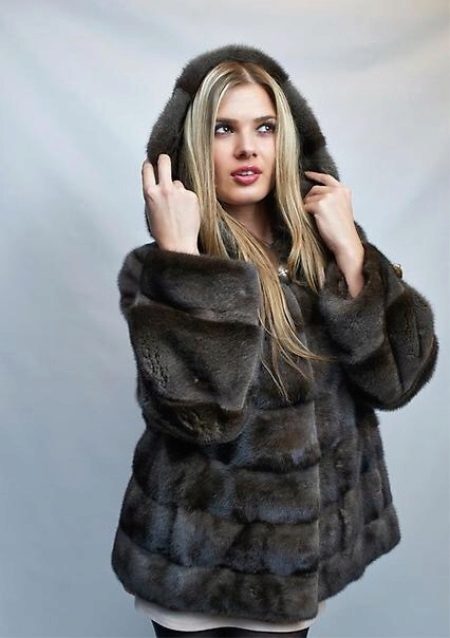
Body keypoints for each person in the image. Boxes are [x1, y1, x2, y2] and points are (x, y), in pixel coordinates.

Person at [110, 44, 439, 637]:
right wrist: (182, 260)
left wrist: (352, 252)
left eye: (264, 127)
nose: (247, 148)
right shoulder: (157, 270)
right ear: (194, 145)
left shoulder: (323, 253)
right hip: (194, 567)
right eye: (224, 129)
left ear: (286, 139)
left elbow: (397, 381)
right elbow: (199, 418)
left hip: (290, 570)